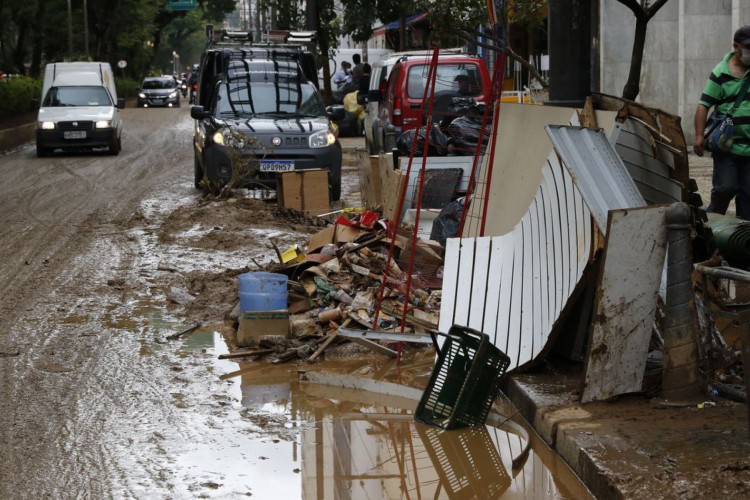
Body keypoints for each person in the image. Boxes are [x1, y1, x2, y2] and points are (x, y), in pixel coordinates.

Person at [695, 25, 750, 220]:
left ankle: (742, 242)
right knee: (725, 188)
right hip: (727, 146)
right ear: (736, 46)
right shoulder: (720, 73)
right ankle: (711, 227)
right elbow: (703, 105)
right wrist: (699, 136)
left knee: (748, 196)